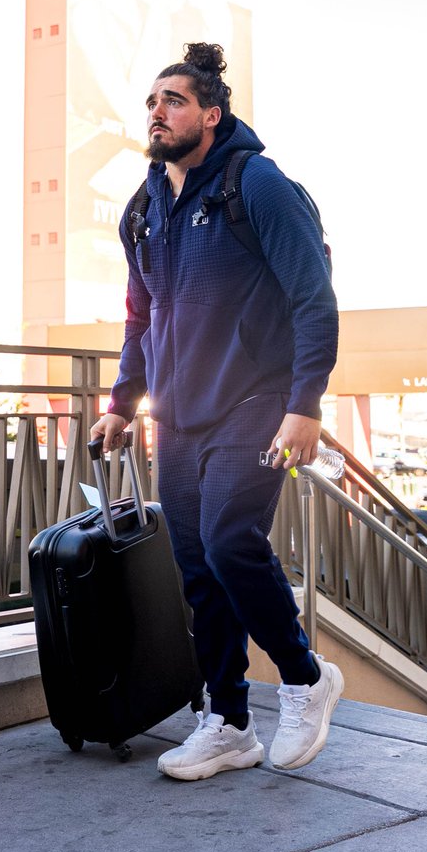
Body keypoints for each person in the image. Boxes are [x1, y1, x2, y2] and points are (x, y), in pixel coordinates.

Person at [90, 41, 342, 782]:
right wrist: (123, 403)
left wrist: (306, 404)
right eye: (151, 102)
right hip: (183, 413)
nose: (157, 111)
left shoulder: (255, 183)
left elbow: (312, 296)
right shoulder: (143, 210)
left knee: (233, 541)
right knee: (197, 567)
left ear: (211, 112)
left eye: (173, 100)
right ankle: (227, 721)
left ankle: (304, 678)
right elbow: (143, 316)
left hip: (260, 403)